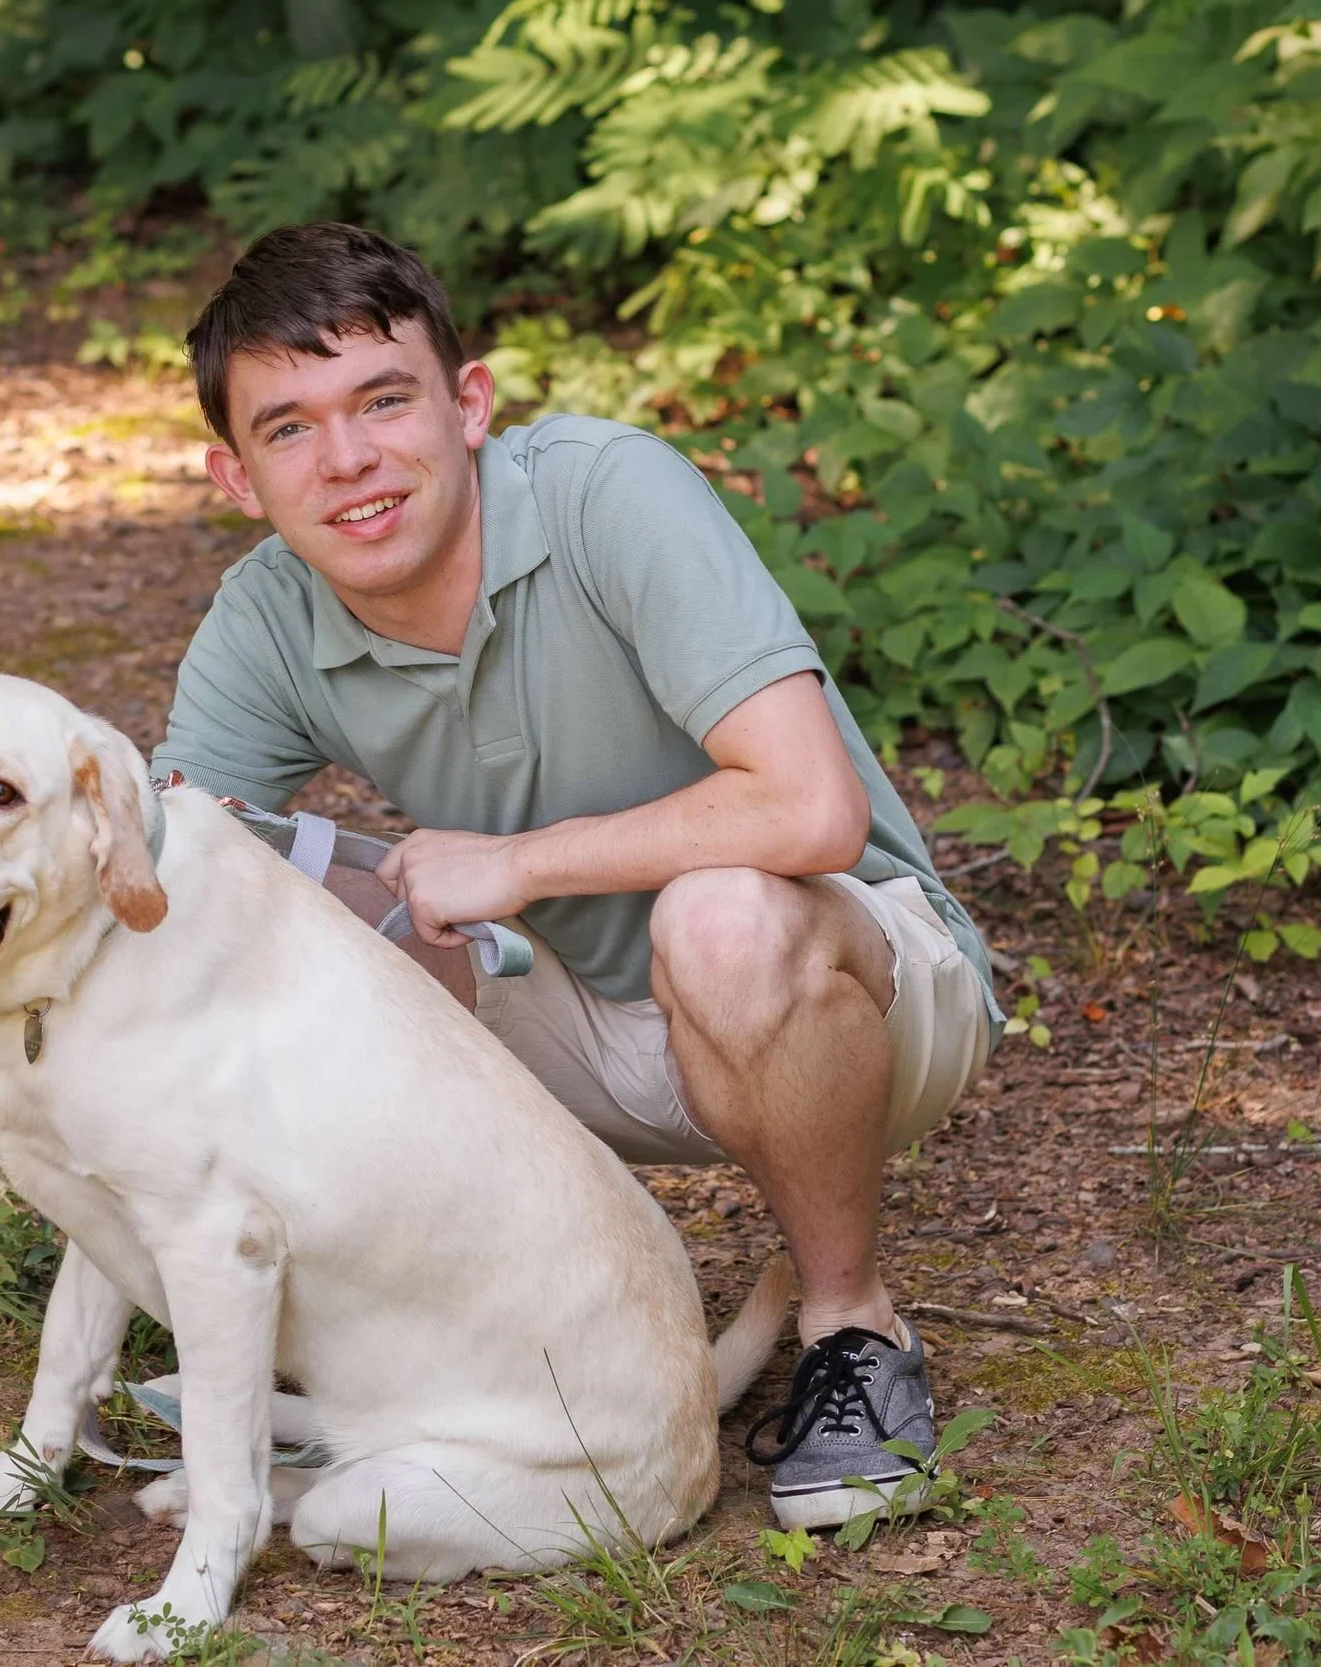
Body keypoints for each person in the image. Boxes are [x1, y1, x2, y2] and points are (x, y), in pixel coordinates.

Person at [148, 222, 999, 1529]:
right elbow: (163, 876)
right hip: (577, 1024)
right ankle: (435, 1370)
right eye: (292, 429)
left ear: (470, 402)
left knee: (717, 914)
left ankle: (850, 1332)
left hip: (864, 991)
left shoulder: (607, 490)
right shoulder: (266, 615)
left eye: (384, 401)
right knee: (317, 932)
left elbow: (811, 806)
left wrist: (521, 862)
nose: (352, 460)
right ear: (237, 474)